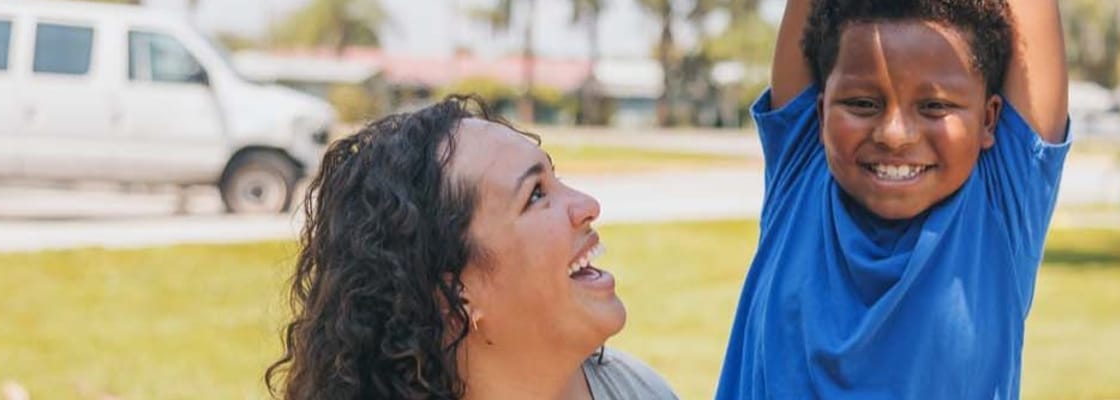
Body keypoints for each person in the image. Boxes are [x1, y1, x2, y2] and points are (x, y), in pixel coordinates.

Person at [715, 0, 1070, 397]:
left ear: (989, 119)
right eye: (863, 104)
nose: (894, 135)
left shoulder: (1001, 205)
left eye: (935, 106)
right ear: (818, 114)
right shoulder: (801, 169)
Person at [266, 97, 676, 400]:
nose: (587, 205)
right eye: (535, 195)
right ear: (456, 293)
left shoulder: (638, 389)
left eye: (555, 178)